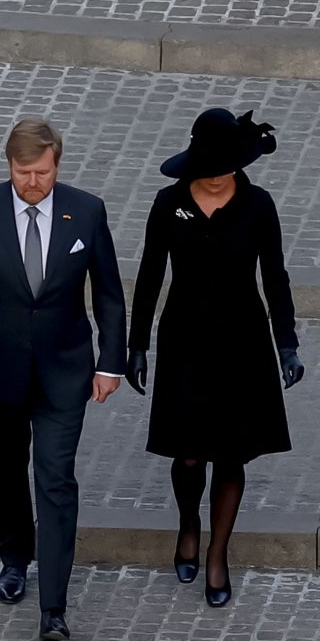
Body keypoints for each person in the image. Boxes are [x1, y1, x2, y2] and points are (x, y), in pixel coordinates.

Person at [0, 118, 127, 641]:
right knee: (7, 469)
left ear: (57, 164)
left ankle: (54, 607)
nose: (32, 182)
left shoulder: (86, 211)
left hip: (66, 371)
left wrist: (111, 363)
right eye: (23, 173)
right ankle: (15, 556)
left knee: (56, 480)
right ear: (9, 165)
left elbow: (108, 293)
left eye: (41, 172)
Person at [125, 107, 304, 608]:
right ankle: (188, 523)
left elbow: (275, 278)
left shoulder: (258, 205)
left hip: (243, 342)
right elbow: (149, 277)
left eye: (230, 165)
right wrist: (136, 344)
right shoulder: (168, 204)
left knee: (231, 454)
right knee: (187, 454)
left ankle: (217, 554)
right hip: (184, 340)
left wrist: (286, 343)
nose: (223, 174)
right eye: (214, 165)